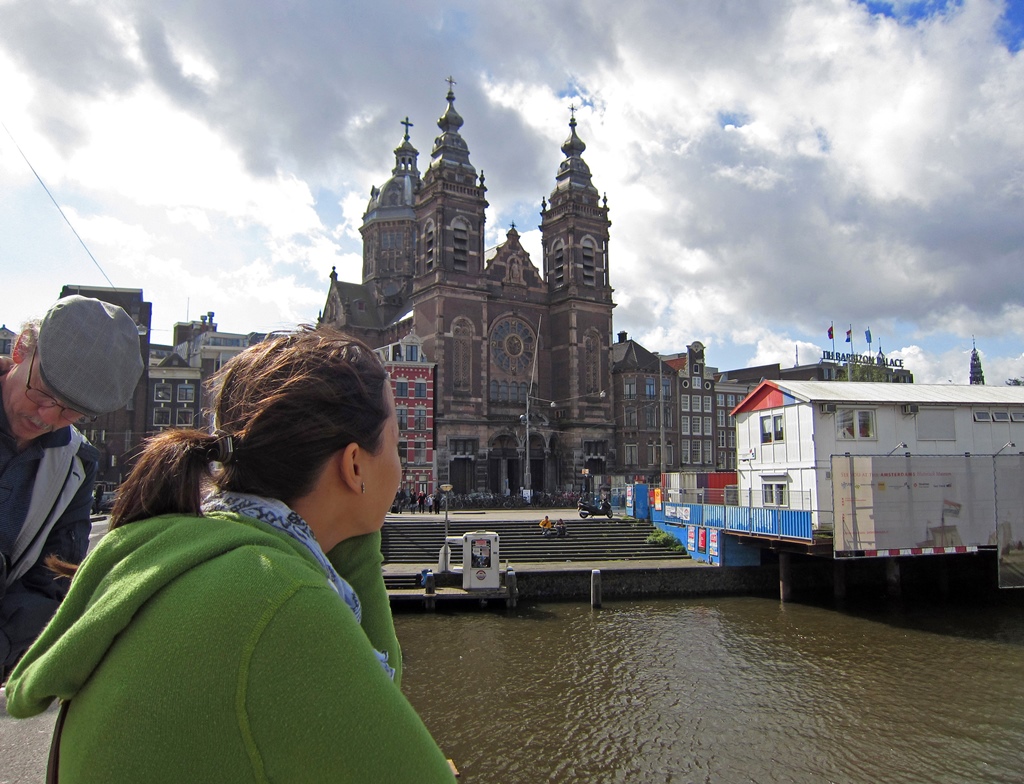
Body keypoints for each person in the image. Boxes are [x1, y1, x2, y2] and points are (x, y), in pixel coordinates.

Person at [5, 328, 456, 782]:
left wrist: (354, 531)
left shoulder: (174, 547)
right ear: (355, 463)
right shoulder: (283, 603)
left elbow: (374, 695)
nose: (399, 463)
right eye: (395, 443)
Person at [0, 295, 143, 679]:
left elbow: (53, 580)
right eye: (42, 392)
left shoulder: (76, 463)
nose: (47, 417)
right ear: (19, 349)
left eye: (70, 410)